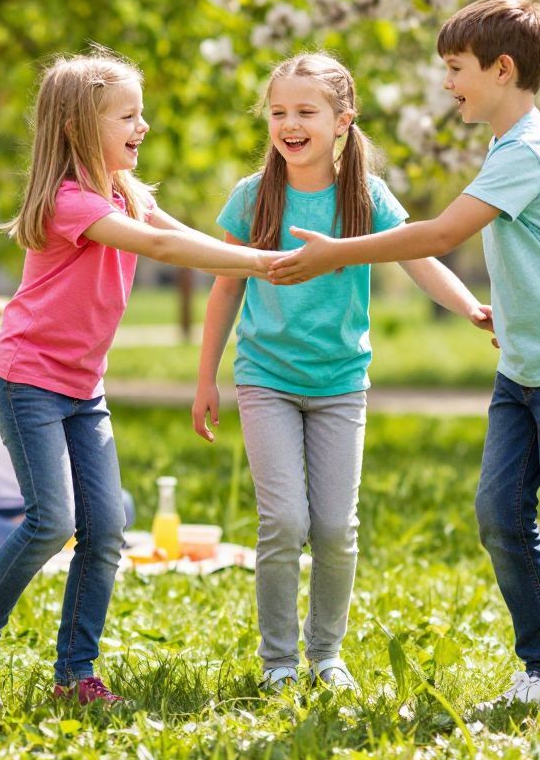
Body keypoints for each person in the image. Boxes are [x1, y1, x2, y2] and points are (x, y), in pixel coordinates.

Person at [270, 0, 540, 712]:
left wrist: (339, 251)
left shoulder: (531, 148)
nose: (448, 84)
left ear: (503, 70)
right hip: (525, 363)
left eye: (457, 67)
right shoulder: (506, 144)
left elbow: (442, 235)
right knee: (500, 513)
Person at [0, 48, 281, 709]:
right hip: (29, 379)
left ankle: (75, 674)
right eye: (127, 115)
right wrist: (262, 265)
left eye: (140, 113)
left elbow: (181, 236)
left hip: (82, 388)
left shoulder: (126, 192)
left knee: (104, 532)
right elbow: (159, 248)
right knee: (50, 521)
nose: (142, 126)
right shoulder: (70, 203)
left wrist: (255, 259)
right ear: (77, 129)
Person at [193, 52, 493, 693]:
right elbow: (223, 291)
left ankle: (325, 654)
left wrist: (470, 306)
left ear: (342, 122)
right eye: (278, 112)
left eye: (306, 111)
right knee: (284, 523)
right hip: (265, 377)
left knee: (333, 528)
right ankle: (277, 661)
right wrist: (204, 379)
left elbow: (419, 257)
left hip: (339, 384)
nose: (289, 123)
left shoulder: (365, 196)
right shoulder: (253, 197)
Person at [0, 295, 136, 546]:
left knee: (121, 503)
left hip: (48, 512)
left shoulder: (43, 399)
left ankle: (28, 539)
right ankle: (32, 541)